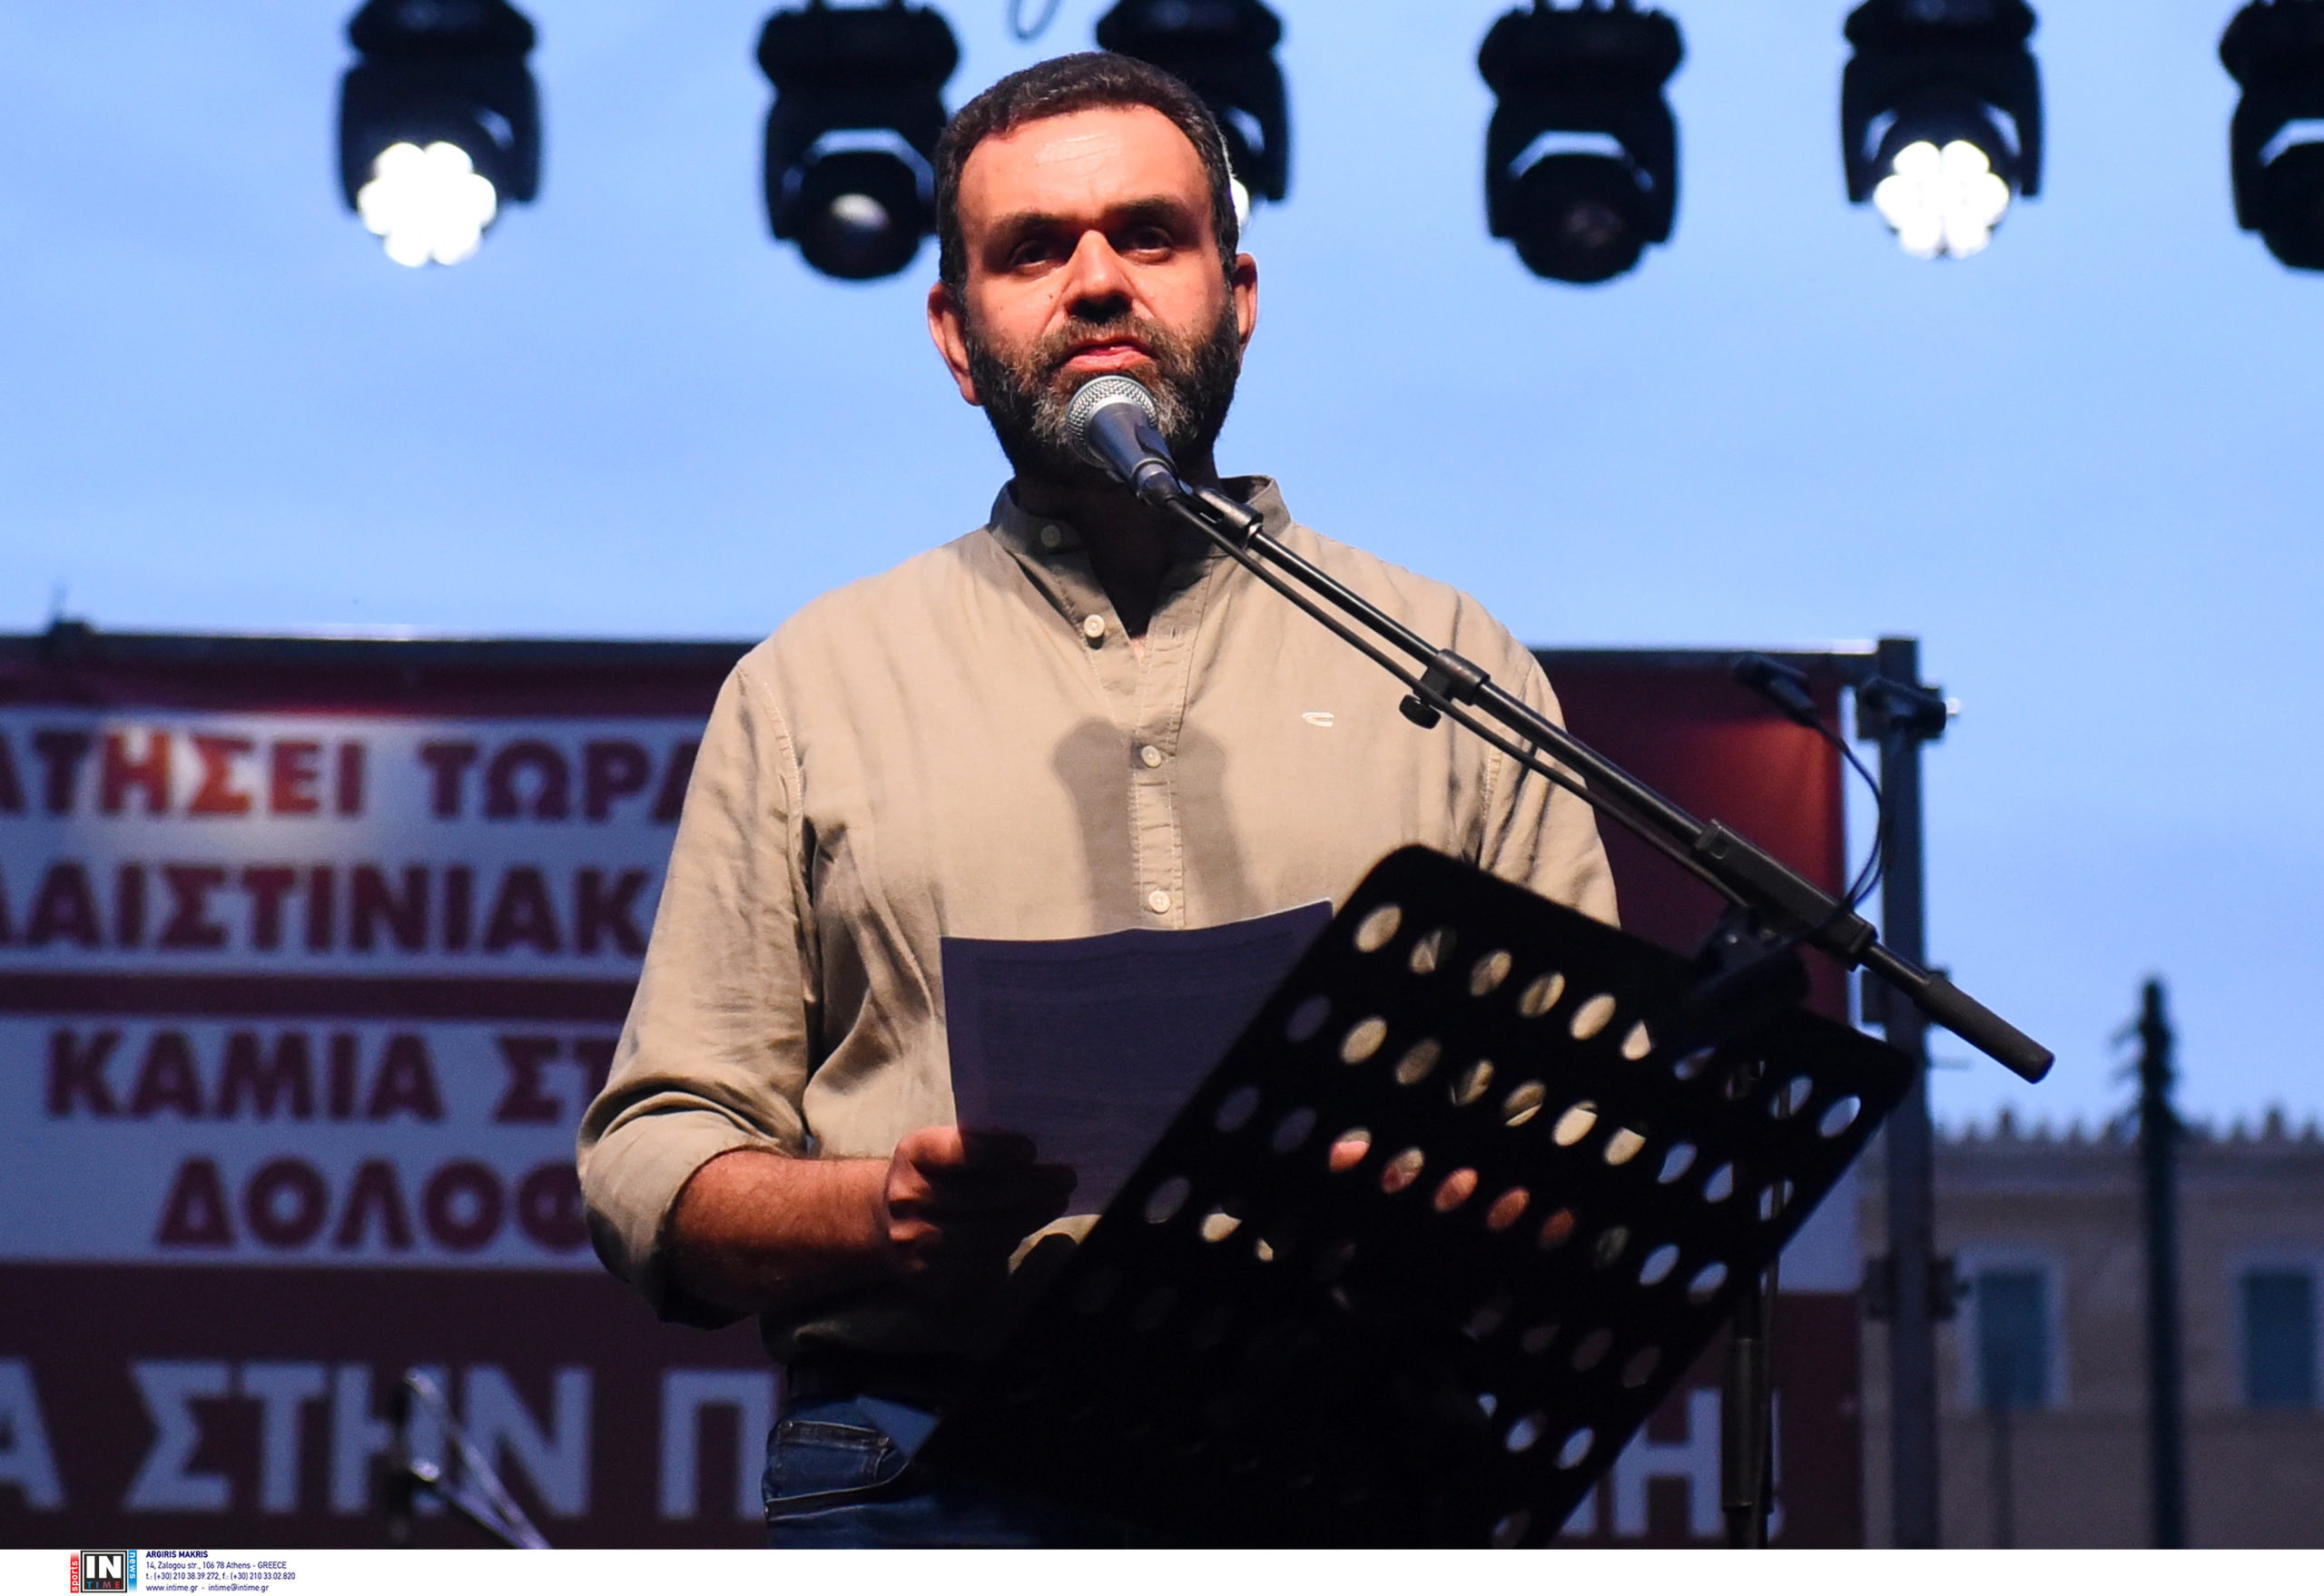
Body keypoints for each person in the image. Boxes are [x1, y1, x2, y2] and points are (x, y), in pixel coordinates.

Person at [576, 51, 1617, 1547]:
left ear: (1237, 296)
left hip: (1349, 1453)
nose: (1097, 282)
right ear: (956, 335)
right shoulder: (809, 684)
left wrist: (1419, 1198)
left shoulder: (1453, 665)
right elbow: (652, 1162)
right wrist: (880, 1210)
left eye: (1148, 234)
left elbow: (1593, 1145)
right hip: (924, 1468)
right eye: (1032, 249)